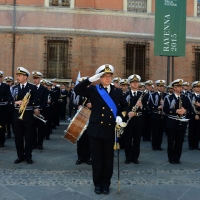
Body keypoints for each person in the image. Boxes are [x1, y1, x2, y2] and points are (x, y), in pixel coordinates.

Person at [74, 64, 127, 195]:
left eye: (110, 76)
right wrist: (90, 79)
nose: (108, 79)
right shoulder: (93, 90)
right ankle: (97, 184)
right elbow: (77, 89)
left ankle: (106, 184)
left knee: (108, 159)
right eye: (104, 76)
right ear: (99, 77)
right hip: (96, 130)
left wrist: (121, 116)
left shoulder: (117, 91)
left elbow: (126, 107)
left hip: (110, 130)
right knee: (97, 159)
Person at [163, 79, 193, 164]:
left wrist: (185, 111)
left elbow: (190, 109)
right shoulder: (168, 97)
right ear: (174, 88)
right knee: (171, 141)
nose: (181, 88)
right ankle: (171, 158)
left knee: (179, 141)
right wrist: (175, 111)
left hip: (182, 122)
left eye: (181, 86)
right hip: (172, 121)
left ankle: (177, 157)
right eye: (179, 87)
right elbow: (165, 110)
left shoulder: (185, 97)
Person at [12, 67, 38, 164]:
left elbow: (35, 101)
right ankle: (20, 156)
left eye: (20, 76)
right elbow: (10, 100)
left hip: (27, 115)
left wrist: (25, 102)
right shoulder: (14, 88)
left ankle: (28, 156)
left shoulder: (32, 88)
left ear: (25, 77)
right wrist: (15, 102)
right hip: (16, 115)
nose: (18, 77)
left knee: (28, 137)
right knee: (18, 137)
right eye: (17, 76)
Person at [123, 74, 146, 164]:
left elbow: (147, 108)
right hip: (129, 120)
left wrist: (142, 106)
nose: (135, 84)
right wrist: (128, 112)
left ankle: (135, 157)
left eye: (137, 82)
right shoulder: (125, 95)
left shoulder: (142, 95)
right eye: (133, 82)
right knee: (128, 140)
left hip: (138, 120)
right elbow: (123, 106)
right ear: (130, 84)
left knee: (137, 140)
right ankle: (128, 157)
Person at [149, 80, 167, 151]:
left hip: (162, 116)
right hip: (155, 115)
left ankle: (159, 145)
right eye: (159, 86)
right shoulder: (153, 95)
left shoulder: (166, 95)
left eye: (162, 86)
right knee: (154, 131)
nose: (161, 88)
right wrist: (157, 107)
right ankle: (154, 145)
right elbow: (150, 105)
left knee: (160, 132)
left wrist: (164, 104)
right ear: (157, 87)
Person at [32, 71, 48, 150]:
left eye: (36, 78)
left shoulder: (44, 89)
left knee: (41, 129)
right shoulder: (31, 88)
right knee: (33, 129)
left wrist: (39, 109)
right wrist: (34, 108)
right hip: (32, 111)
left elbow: (45, 101)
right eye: (34, 78)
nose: (35, 80)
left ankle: (40, 144)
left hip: (41, 111)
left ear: (40, 79)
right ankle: (34, 143)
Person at [0, 71, 12, 147]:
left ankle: (1, 141)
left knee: (1, 125)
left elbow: (8, 97)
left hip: (2, 108)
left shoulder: (5, 86)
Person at [188, 81, 200, 150]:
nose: (198, 89)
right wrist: (194, 115)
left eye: (199, 87)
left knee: (198, 131)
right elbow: (189, 107)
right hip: (192, 116)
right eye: (197, 87)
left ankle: (196, 145)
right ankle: (191, 145)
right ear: (193, 88)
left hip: (199, 116)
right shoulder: (190, 96)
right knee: (191, 130)